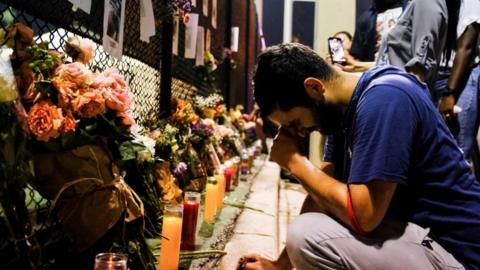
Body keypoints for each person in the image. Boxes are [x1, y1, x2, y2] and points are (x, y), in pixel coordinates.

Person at [238, 43, 480, 270]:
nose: (298, 132)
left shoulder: (385, 98)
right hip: (423, 240)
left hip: (457, 254)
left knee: (307, 236)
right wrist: (281, 265)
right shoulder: (342, 113)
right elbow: (322, 197)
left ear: (314, 87)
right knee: (310, 228)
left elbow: (364, 217)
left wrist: (295, 162)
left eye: (295, 122)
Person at [339, 0, 454, 90]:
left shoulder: (426, 2)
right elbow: (396, 64)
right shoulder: (414, 3)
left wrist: (402, 100)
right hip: (392, 88)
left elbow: (420, 67)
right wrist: (356, 66)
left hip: (400, 94)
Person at [437, 0, 480, 162]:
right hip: (438, 75)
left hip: (461, 77)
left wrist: (450, 93)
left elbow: (467, 46)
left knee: (457, 151)